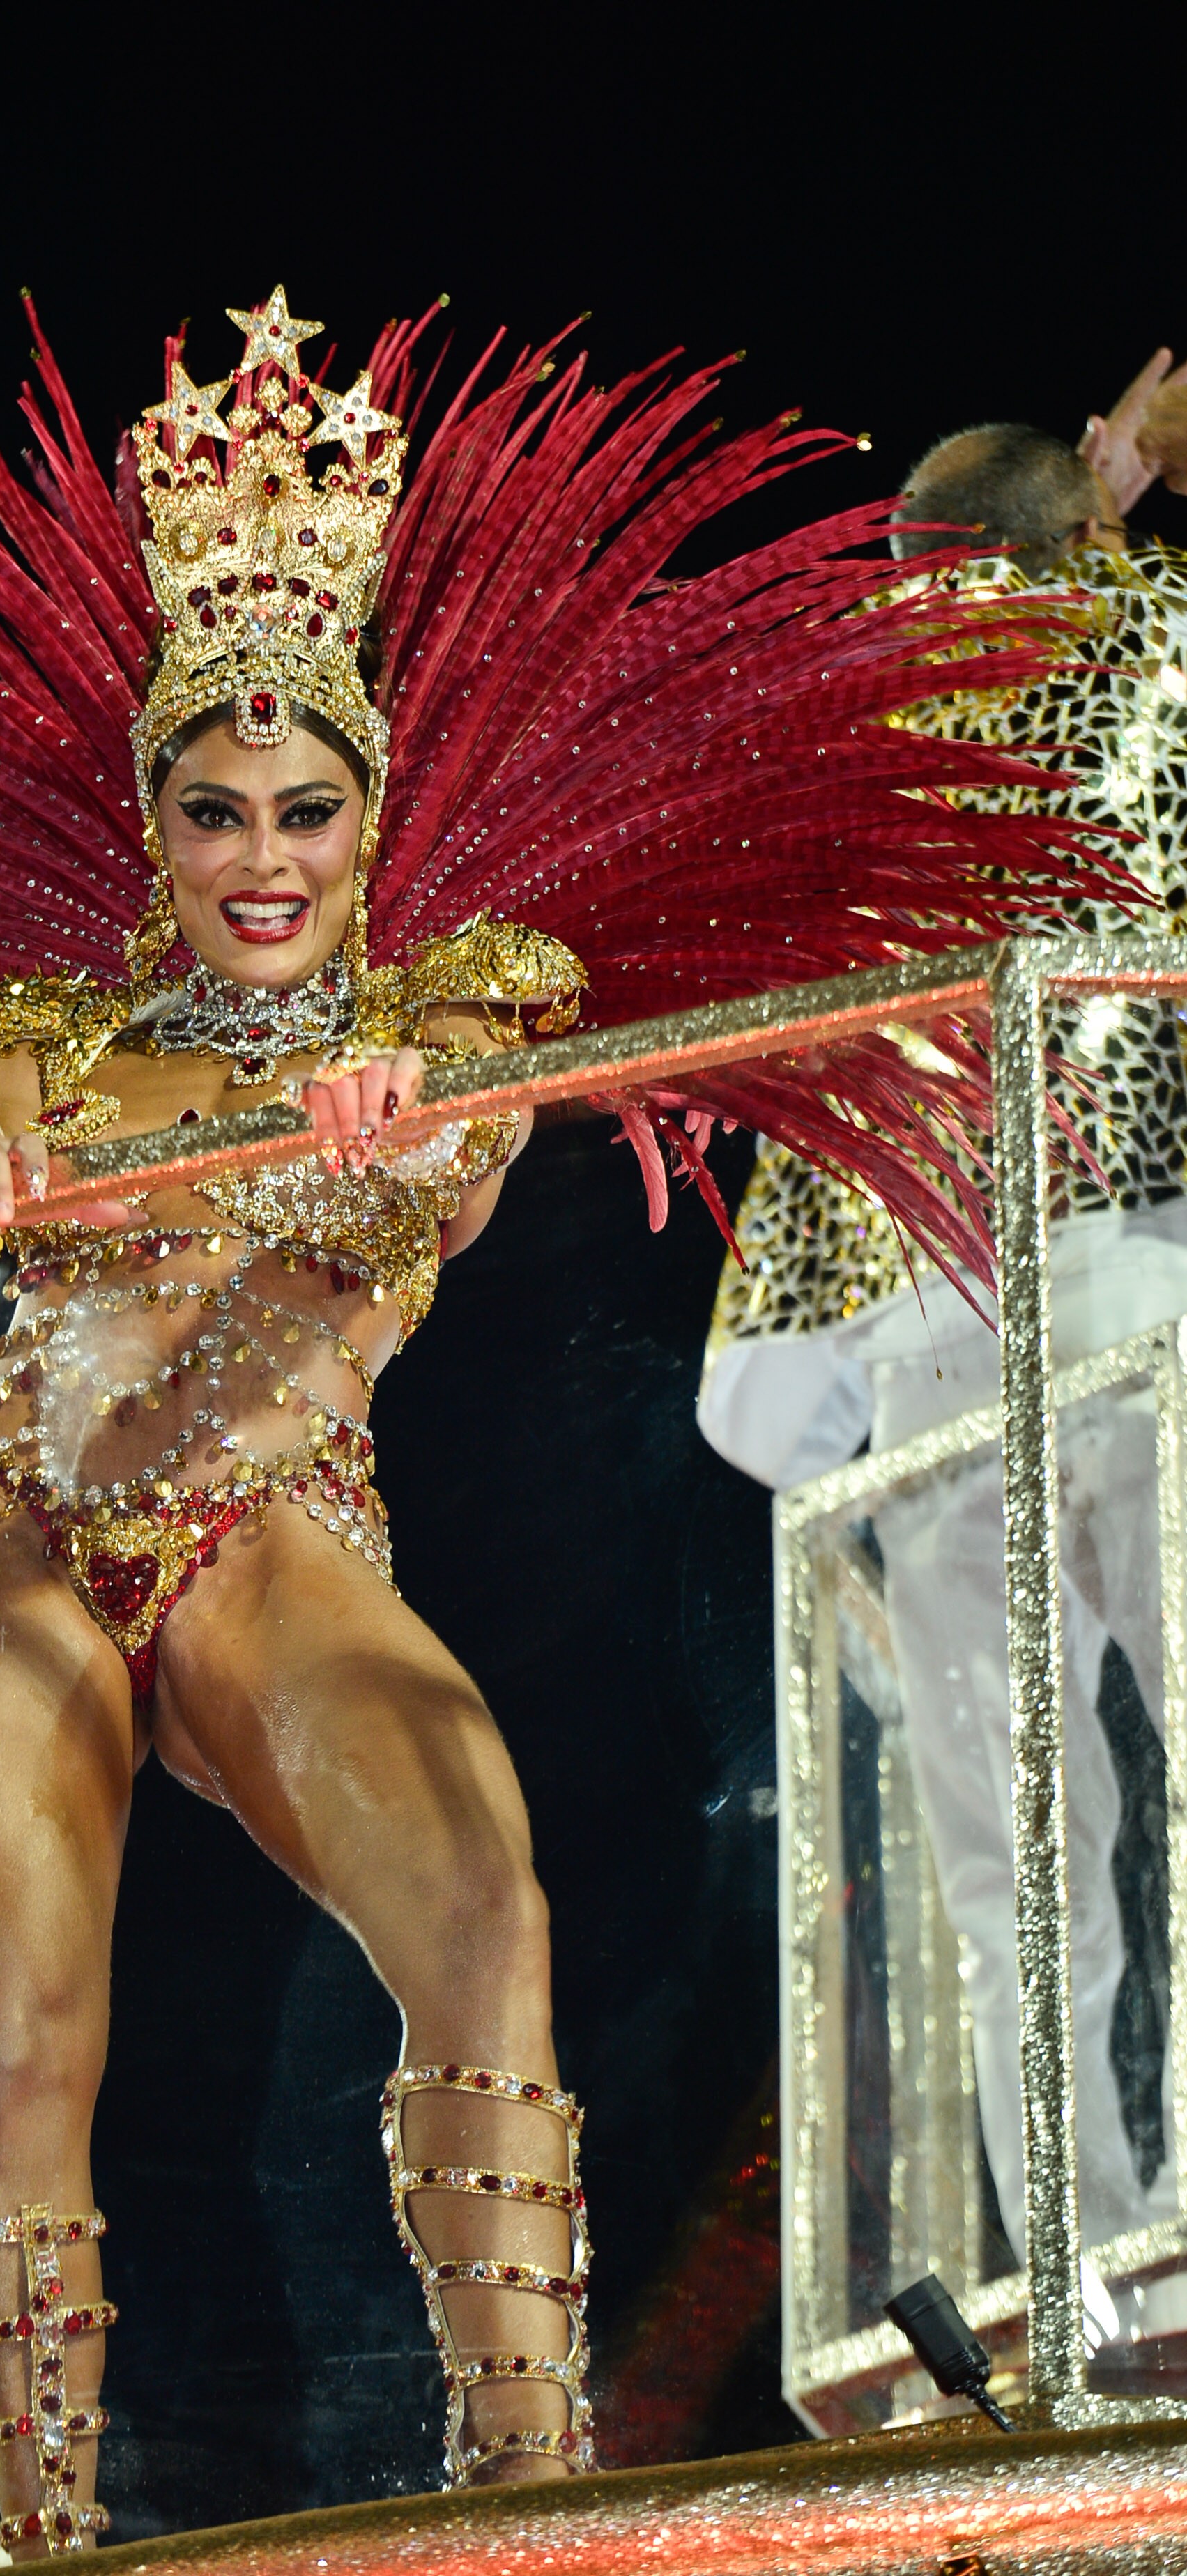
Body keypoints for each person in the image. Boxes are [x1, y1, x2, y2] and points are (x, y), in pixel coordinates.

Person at [0, 289, 1128, 2558]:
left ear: (372, 823)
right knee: (24, 2041)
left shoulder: (464, 1005)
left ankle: (520, 2496)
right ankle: (51, 2535)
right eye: (217, 811)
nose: (265, 856)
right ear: (154, 828)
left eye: (310, 811)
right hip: (29, 1534)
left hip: (271, 1530)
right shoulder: (43, 1034)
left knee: (479, 1896)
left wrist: (397, 1130)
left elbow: (442, 1174)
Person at [698, 356, 1187, 2263]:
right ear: (1070, 538)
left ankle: (1092, 2274)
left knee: (1017, 1869)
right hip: (1135, 1289)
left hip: (918, 1342)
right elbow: (1110, 624)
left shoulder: (841, 738)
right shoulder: (1131, 635)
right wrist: (1122, 484)